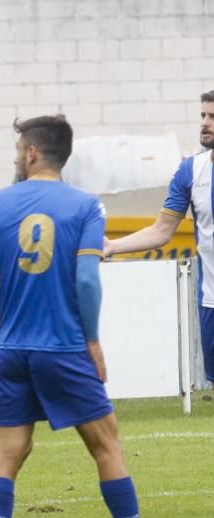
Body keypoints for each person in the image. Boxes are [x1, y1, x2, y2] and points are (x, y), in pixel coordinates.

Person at [0, 114, 186, 518]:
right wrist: (92, 340)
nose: (14, 156)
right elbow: (87, 278)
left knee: (10, 450)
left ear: (31, 153)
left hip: (11, 350)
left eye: (17, 148)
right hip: (63, 346)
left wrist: (7, 314)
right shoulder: (84, 206)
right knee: (106, 443)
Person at [104, 91, 214, 383]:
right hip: (211, 300)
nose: (205, 123)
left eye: (212, 117)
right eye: (203, 115)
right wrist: (112, 246)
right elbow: (161, 230)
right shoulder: (191, 171)